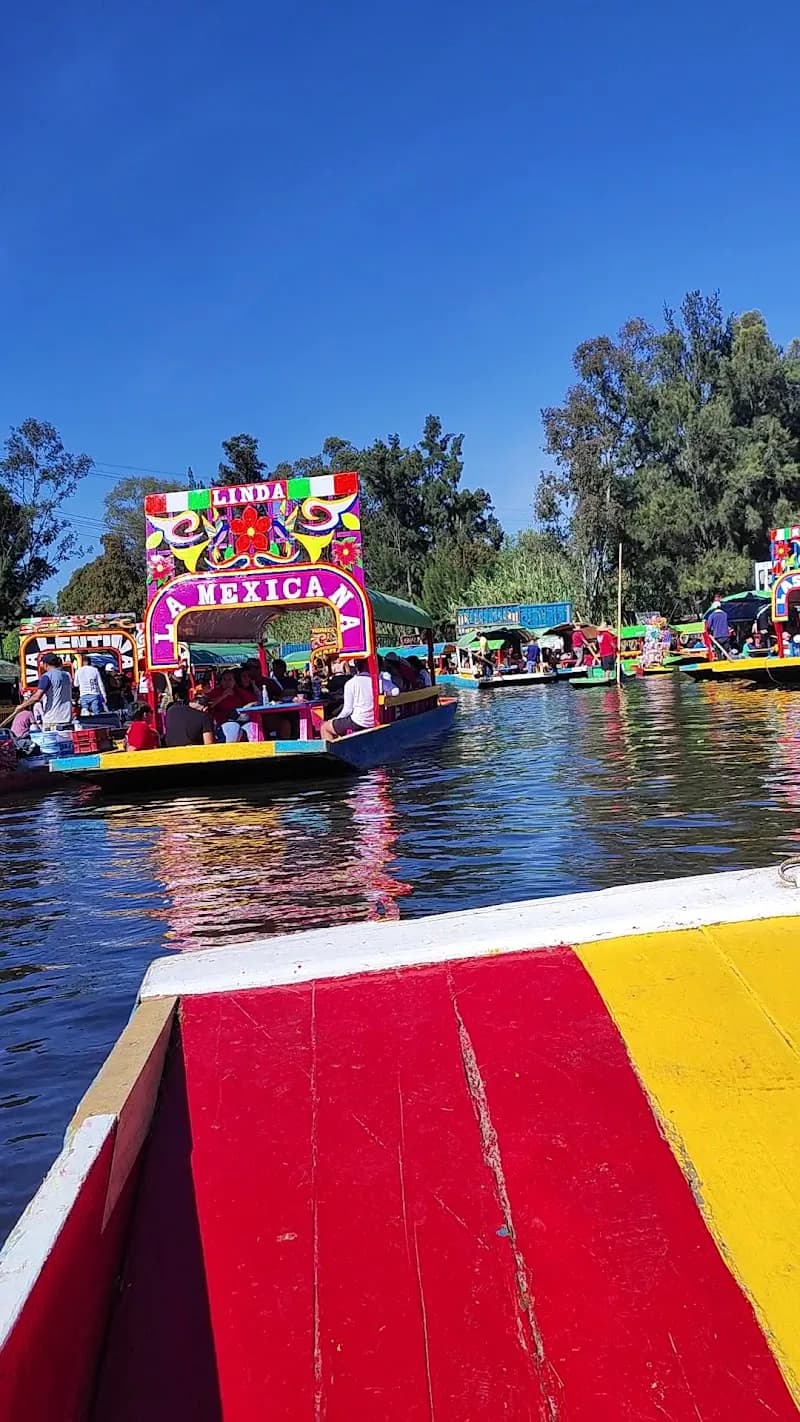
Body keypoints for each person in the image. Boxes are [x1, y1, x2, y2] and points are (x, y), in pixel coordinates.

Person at [321, 661, 375, 739]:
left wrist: (336, 719)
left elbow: (347, 710)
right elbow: (395, 691)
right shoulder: (378, 680)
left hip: (359, 721)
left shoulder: (351, 683)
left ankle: (333, 751)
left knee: (325, 727)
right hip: (374, 720)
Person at [24, 654, 74, 729]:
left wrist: (21, 706)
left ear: (45, 664)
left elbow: (37, 697)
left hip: (52, 720)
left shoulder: (46, 676)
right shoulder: (67, 675)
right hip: (67, 718)